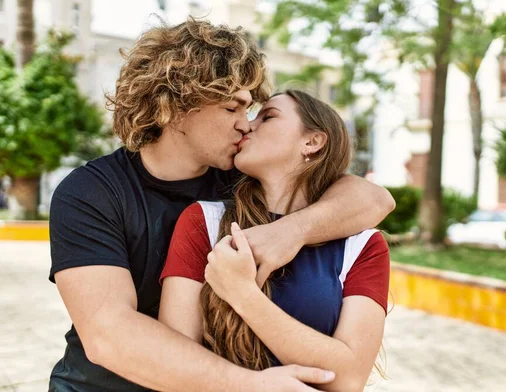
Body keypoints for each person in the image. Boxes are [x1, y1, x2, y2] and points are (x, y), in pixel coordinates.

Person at [48, 19, 395, 391]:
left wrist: (291, 231)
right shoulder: (90, 192)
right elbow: (110, 337)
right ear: (175, 105)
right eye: (233, 108)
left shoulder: (240, 179)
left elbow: (374, 199)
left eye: (253, 112)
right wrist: (250, 385)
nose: (245, 125)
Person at [159, 90, 390, 392]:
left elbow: (348, 378)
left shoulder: (362, 246)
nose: (247, 125)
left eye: (268, 116)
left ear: (312, 142)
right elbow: (174, 363)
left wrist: (243, 295)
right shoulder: (204, 221)